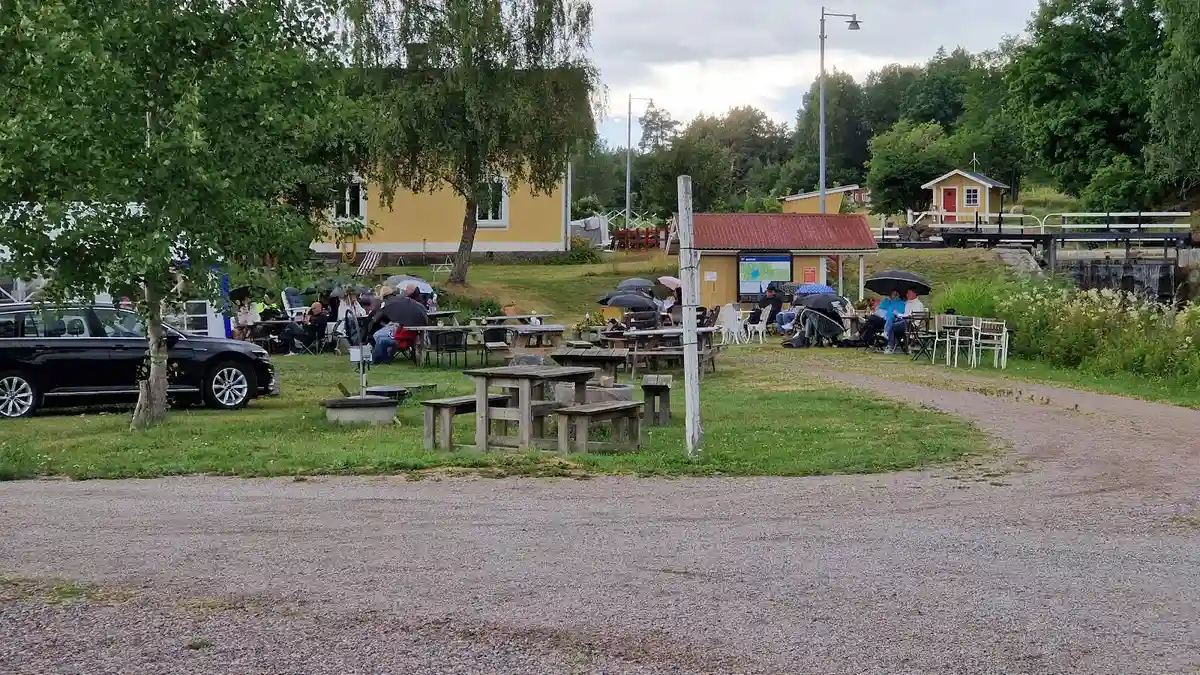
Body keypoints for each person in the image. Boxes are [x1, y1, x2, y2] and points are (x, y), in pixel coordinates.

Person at [369, 285, 428, 364]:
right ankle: (385, 358)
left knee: (381, 340)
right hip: (402, 338)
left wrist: (395, 334)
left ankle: (375, 360)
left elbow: (403, 335)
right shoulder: (411, 316)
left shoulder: (409, 323)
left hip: (403, 340)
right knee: (380, 339)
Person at [885, 289, 926, 353]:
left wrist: (899, 314)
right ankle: (892, 343)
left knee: (893, 326)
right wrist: (898, 315)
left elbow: (913, 317)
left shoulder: (919, 304)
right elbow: (905, 315)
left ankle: (890, 346)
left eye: (908, 293)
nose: (907, 295)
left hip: (912, 325)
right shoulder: (908, 303)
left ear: (914, 294)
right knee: (893, 321)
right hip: (905, 322)